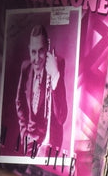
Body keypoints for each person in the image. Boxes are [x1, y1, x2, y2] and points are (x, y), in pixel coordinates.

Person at [14, 23, 68, 157]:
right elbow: (19, 101)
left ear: (47, 50)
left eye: (41, 51)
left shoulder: (57, 64)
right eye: (33, 52)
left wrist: (55, 75)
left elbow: (61, 118)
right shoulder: (25, 68)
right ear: (29, 50)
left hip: (50, 144)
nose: (37, 58)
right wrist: (24, 132)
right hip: (29, 139)